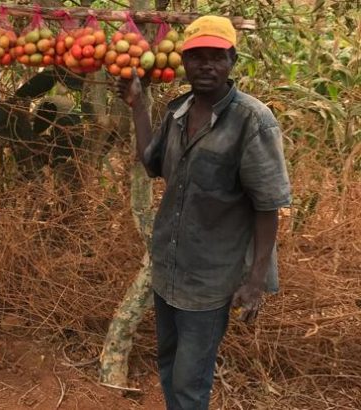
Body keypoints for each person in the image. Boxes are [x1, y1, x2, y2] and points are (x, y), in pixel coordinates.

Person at [118, 15, 291, 409]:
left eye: (217, 57)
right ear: (184, 62)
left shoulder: (253, 121)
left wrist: (255, 279)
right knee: (168, 362)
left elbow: (268, 205)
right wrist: (138, 105)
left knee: (189, 381)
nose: (207, 66)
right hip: (170, 267)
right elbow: (152, 164)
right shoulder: (178, 111)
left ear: (232, 60)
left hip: (211, 278)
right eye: (197, 57)